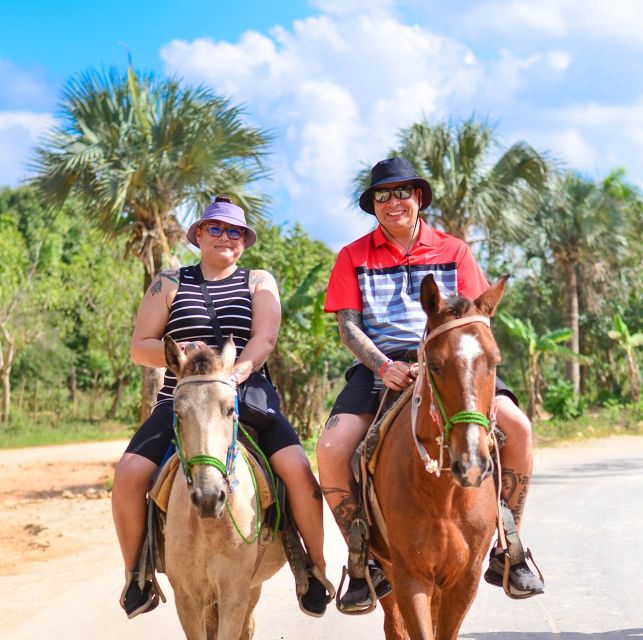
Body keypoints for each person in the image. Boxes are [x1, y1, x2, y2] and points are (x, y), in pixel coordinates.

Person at [316, 157, 545, 611]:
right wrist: (384, 367)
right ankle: (362, 558)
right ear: (373, 205)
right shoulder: (353, 256)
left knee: (518, 429)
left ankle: (508, 546)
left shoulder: (454, 250)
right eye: (382, 195)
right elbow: (348, 327)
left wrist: (445, 359)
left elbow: (478, 315)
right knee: (332, 448)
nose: (393, 202)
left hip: (453, 361)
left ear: (418, 197)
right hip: (384, 367)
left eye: (402, 192)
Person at [112, 196, 331, 619]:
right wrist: (183, 356)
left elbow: (265, 338)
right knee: (128, 475)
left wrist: (237, 371)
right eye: (215, 229)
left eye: (234, 232)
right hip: (185, 400)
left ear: (244, 241)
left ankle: (313, 570)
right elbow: (140, 348)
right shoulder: (168, 282)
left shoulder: (259, 281)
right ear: (198, 235)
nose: (225, 237)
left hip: (244, 396)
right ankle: (137, 576)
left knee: (299, 473)